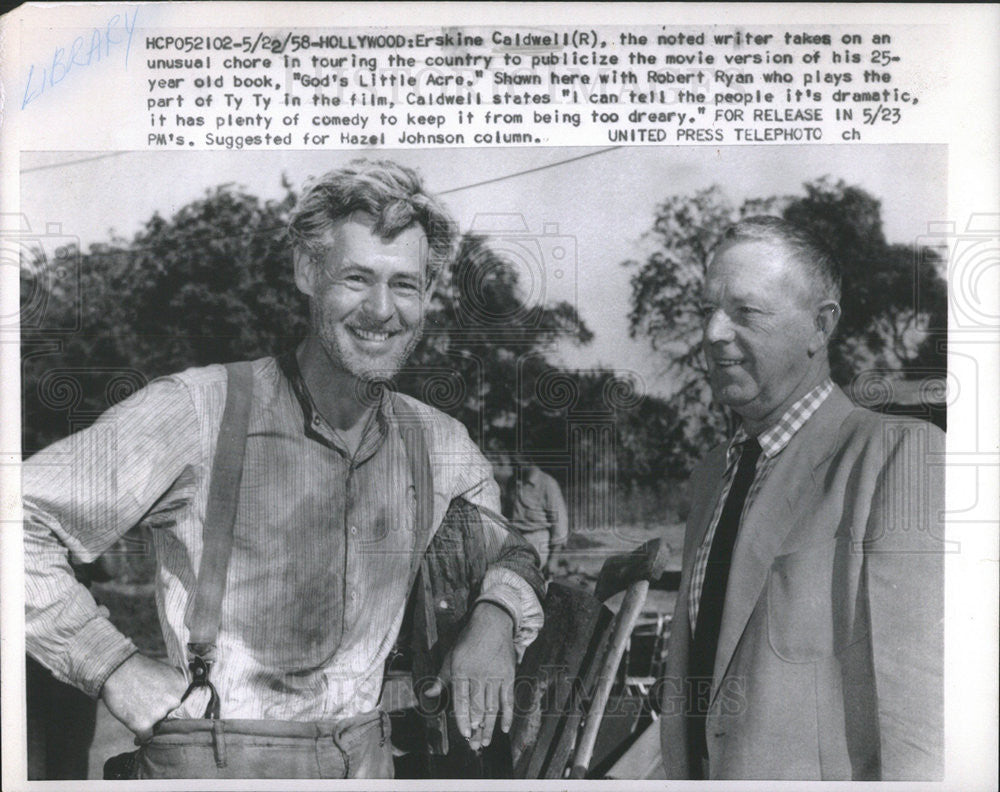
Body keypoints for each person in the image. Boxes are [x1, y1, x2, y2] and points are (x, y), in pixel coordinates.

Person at [23, 160, 544, 779]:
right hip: (217, 761)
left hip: (368, 762)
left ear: (427, 297)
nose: (382, 309)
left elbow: (511, 551)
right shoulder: (199, 411)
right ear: (307, 272)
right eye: (356, 278)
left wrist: (495, 617)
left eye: (405, 285)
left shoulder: (439, 443)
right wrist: (109, 664)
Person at [658, 216, 944, 780]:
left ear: (820, 326)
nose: (714, 332)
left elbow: (924, 724)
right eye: (707, 311)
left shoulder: (899, 458)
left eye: (746, 311)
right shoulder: (713, 473)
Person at [503, 458, 569, 576]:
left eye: (516, 461)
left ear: (529, 458)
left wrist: (554, 560)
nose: (513, 464)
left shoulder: (547, 484)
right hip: (513, 541)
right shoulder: (513, 481)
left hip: (538, 542)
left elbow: (560, 525)